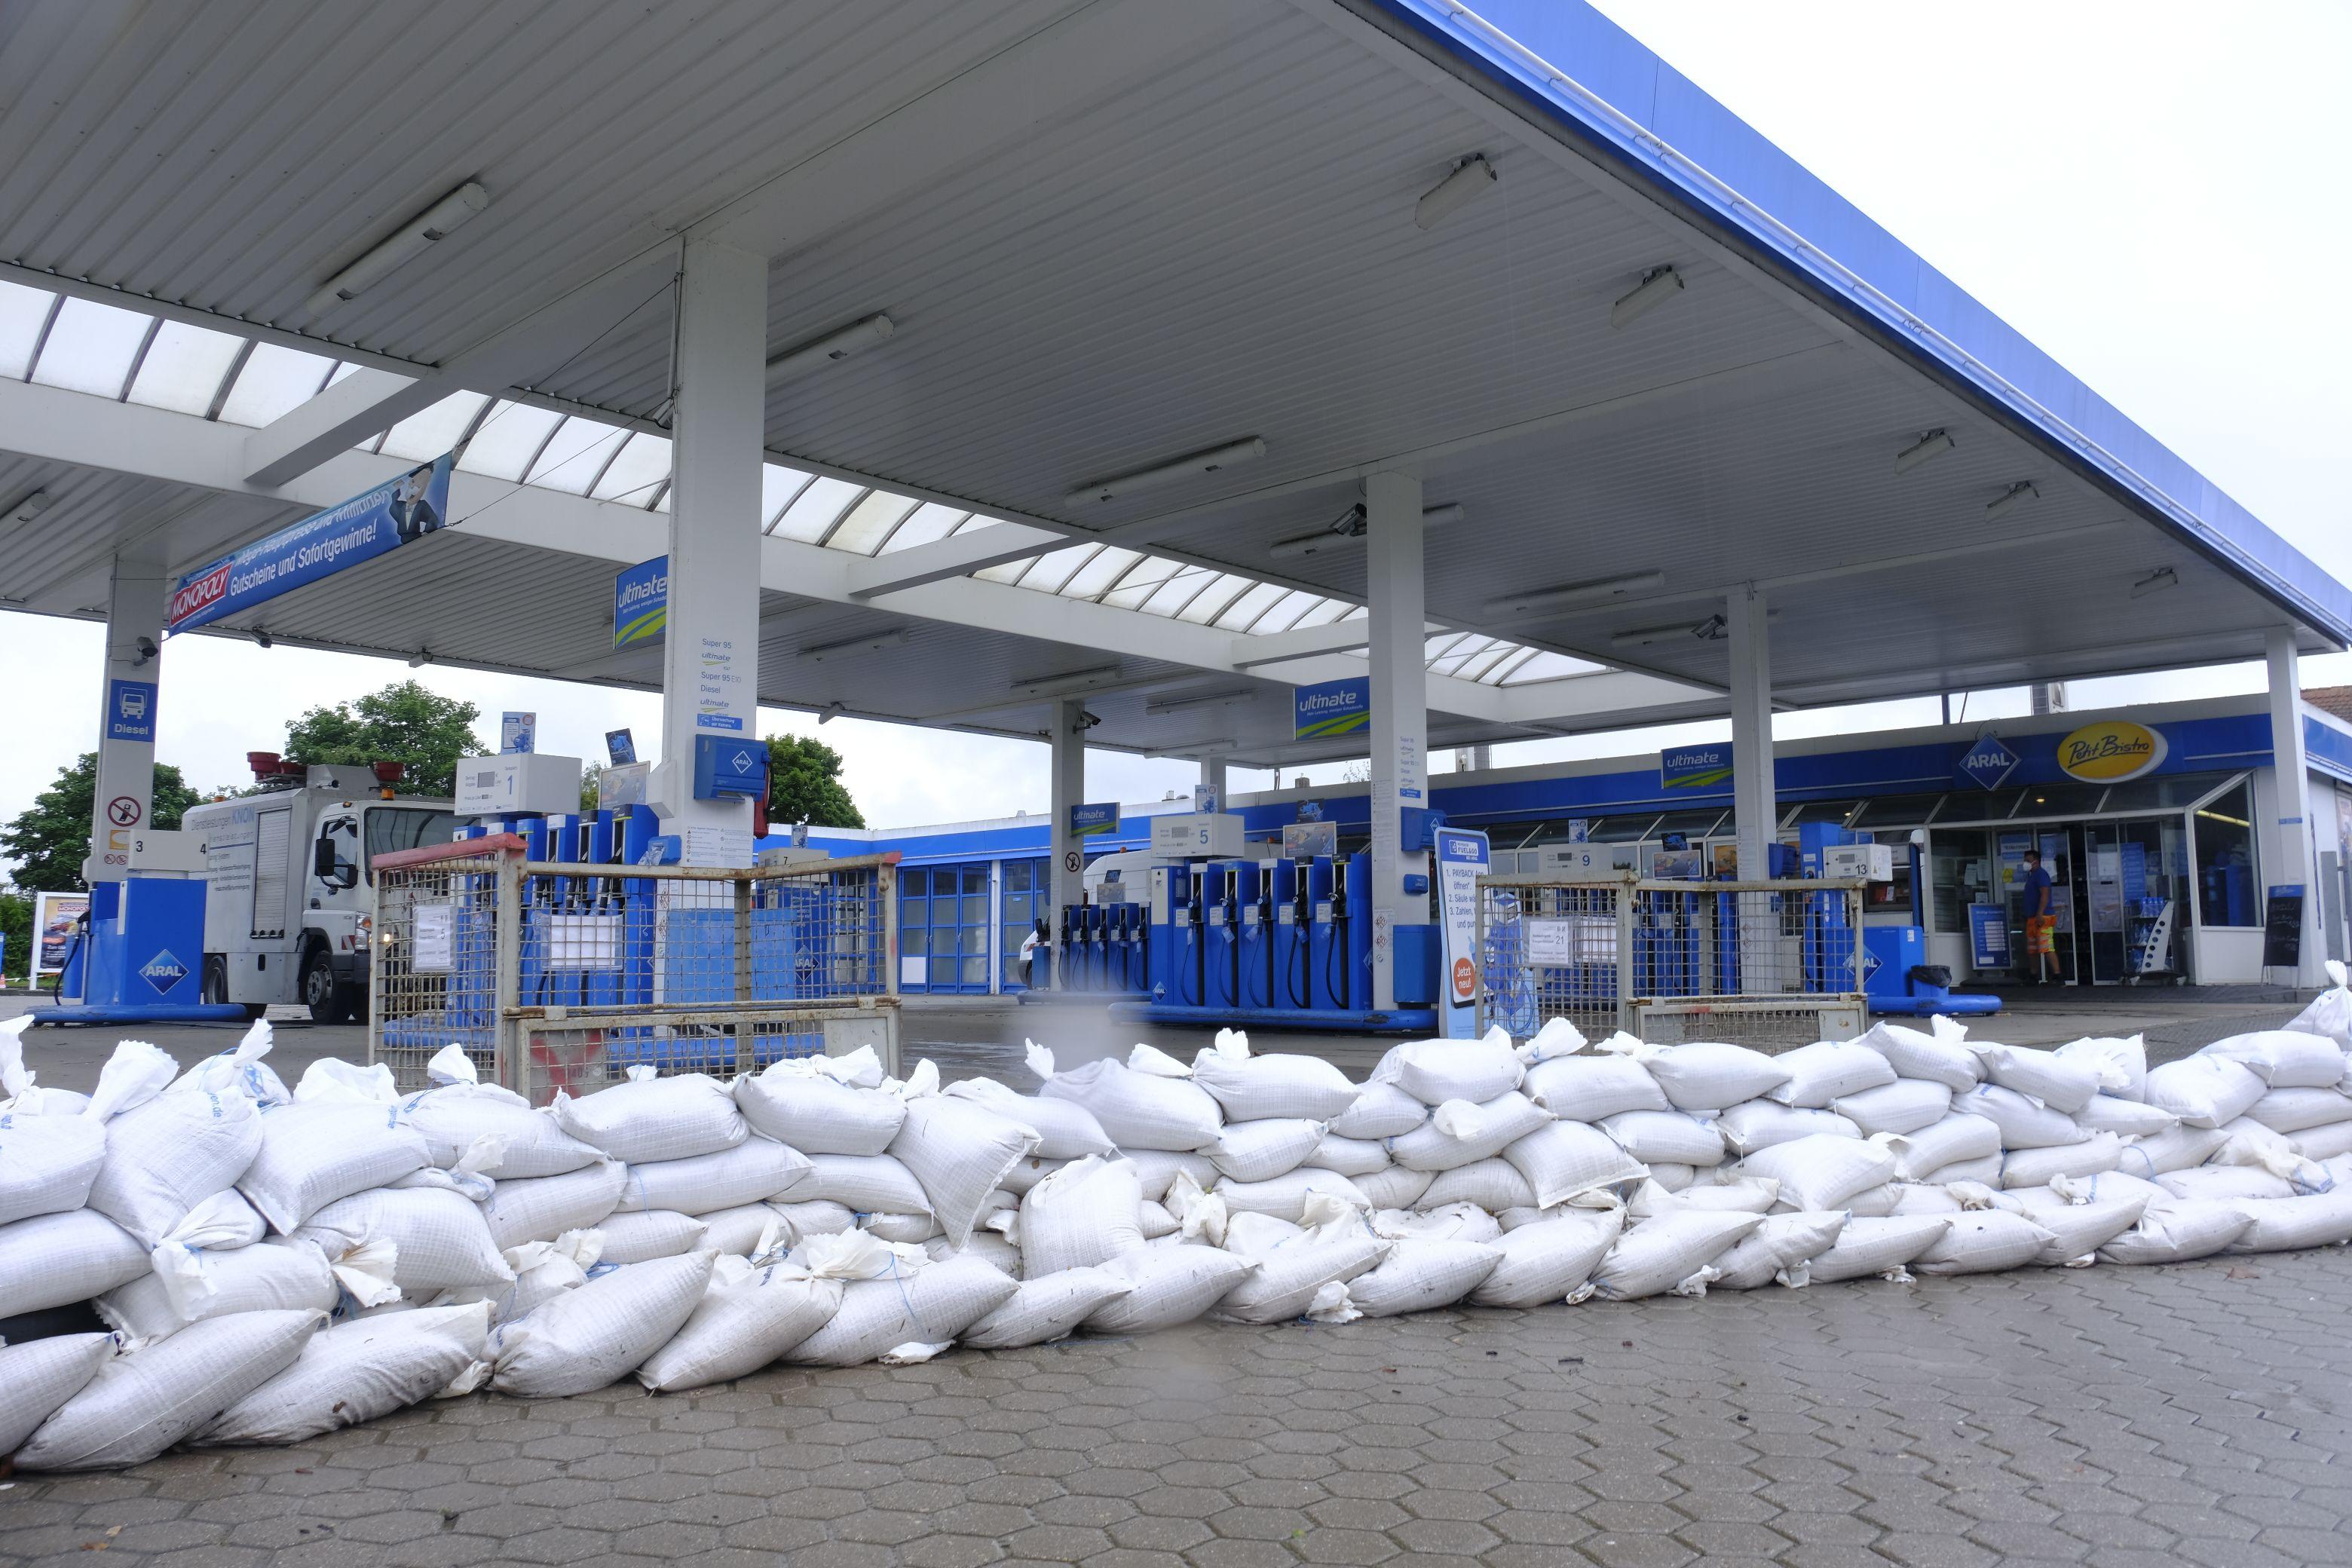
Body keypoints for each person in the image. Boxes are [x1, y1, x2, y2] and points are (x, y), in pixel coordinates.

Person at [2020, 847, 2056, 983]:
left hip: (2043, 917)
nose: (2025, 863)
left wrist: (2040, 913)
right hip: (2031, 918)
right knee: (2033, 949)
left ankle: (2058, 976)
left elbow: (2045, 895)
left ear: (2036, 861)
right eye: (2025, 860)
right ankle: (2034, 975)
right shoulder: (2032, 877)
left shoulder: (2041, 875)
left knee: (2047, 947)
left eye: (2028, 861)